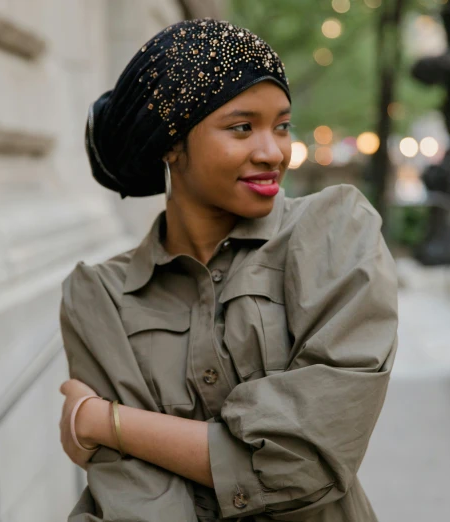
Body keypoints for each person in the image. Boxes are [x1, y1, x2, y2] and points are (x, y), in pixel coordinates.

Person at [57, 18, 398, 522]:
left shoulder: (334, 230)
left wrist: (105, 422)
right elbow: (136, 499)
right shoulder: (101, 296)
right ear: (171, 145)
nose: (273, 152)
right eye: (242, 127)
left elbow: (308, 459)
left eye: (282, 126)